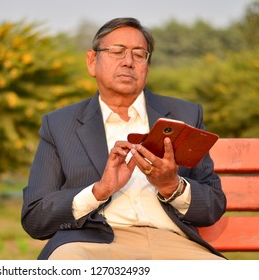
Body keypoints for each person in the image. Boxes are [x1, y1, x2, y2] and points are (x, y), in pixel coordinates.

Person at [21, 17, 227, 260]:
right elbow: (35, 217)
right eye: (117, 51)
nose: (128, 62)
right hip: (91, 243)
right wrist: (98, 191)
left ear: (147, 66)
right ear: (92, 61)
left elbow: (213, 205)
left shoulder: (184, 115)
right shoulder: (59, 125)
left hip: (173, 243)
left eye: (139, 55)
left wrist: (172, 186)